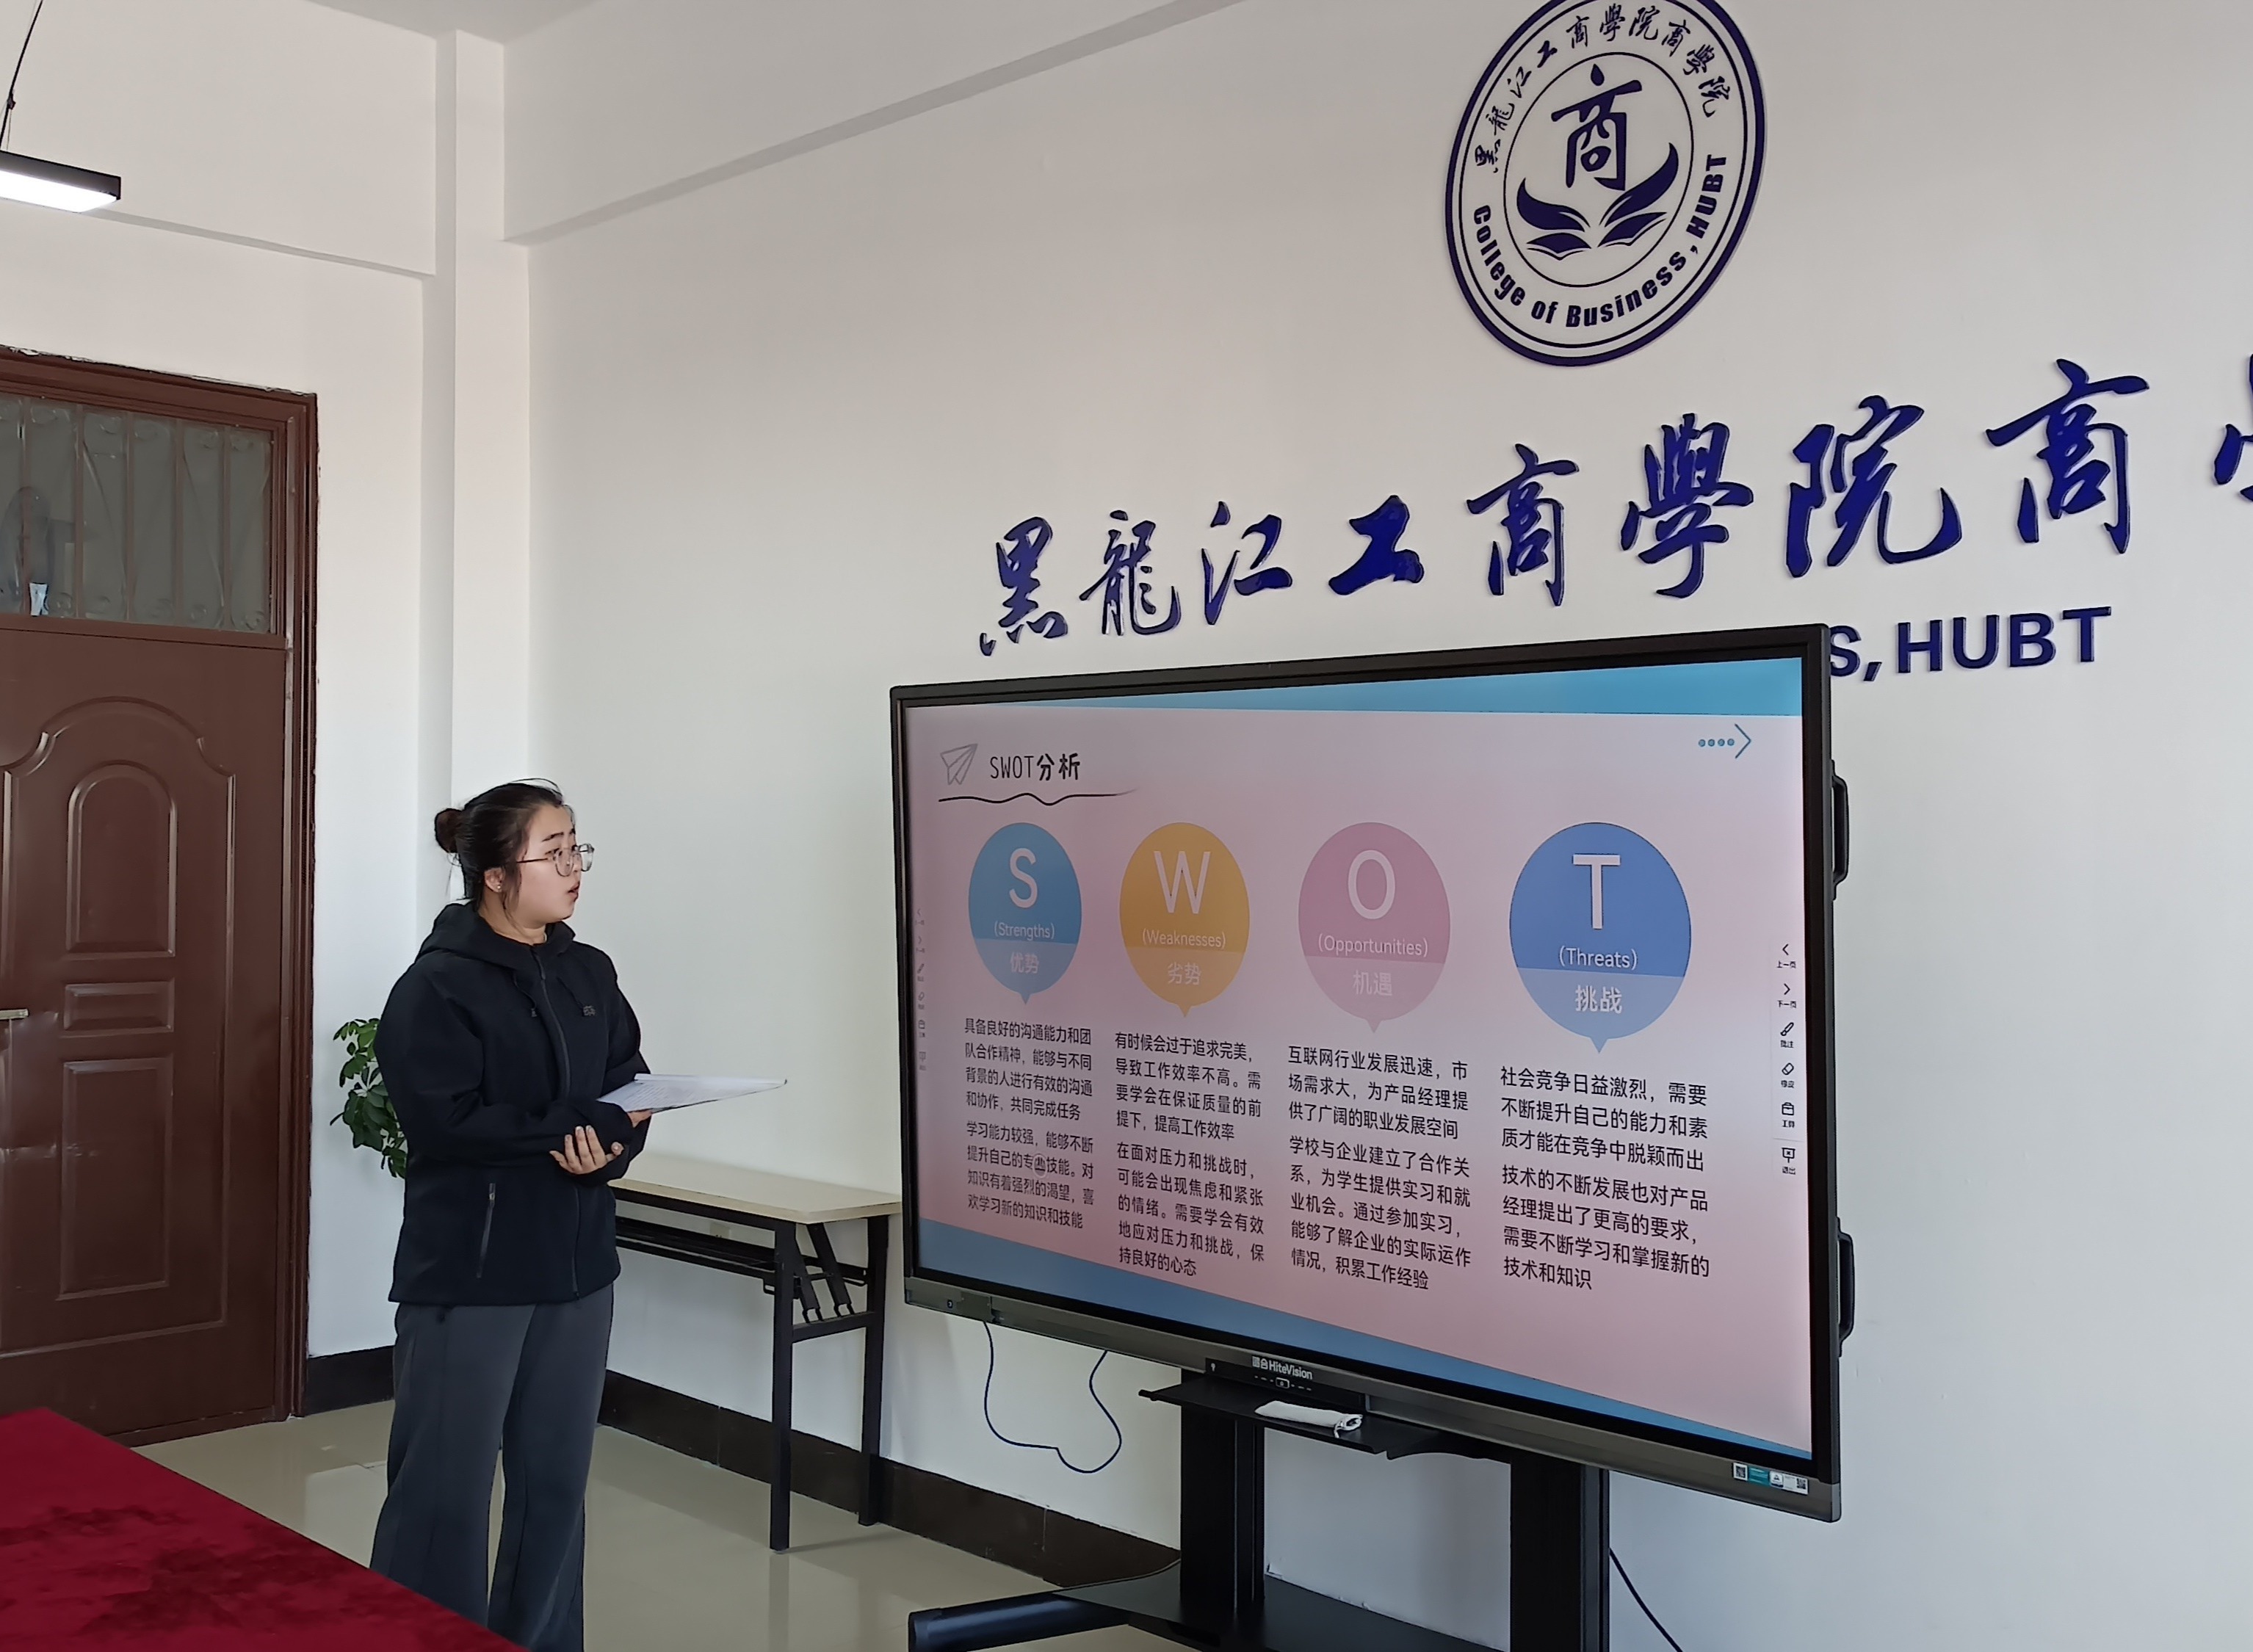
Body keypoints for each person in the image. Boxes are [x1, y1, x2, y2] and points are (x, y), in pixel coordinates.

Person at [368, 780, 652, 1652]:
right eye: (552, 852)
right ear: (495, 875)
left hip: (578, 1267)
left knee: (554, 1486)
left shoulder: (588, 971)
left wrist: (611, 1147)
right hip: (474, 1272)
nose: (573, 868)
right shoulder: (436, 987)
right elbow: (444, 1123)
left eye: (576, 848)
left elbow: (630, 1085)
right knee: (444, 1492)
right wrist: (570, 1132)